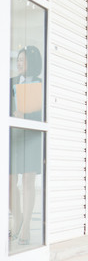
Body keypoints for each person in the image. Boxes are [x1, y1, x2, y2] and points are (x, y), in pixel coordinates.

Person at [9, 46, 44, 246]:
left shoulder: (41, 84)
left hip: (31, 137)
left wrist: (26, 116)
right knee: (9, 183)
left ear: (32, 62)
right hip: (13, 137)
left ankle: (27, 226)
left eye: (22, 60)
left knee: (28, 182)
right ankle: (18, 217)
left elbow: (44, 114)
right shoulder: (10, 83)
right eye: (18, 59)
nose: (19, 63)